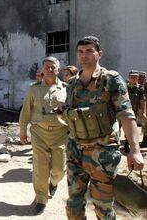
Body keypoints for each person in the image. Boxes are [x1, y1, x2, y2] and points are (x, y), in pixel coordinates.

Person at [61, 36, 144, 219]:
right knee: (73, 204)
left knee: (103, 208)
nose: (84, 55)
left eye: (89, 50)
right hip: (75, 151)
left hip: (103, 153)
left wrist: (135, 150)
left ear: (99, 53)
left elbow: (126, 114)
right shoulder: (72, 83)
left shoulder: (110, 80)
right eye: (81, 52)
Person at [19, 56, 68, 215]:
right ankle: (41, 199)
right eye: (46, 67)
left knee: (59, 170)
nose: (49, 69)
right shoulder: (34, 89)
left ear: (58, 70)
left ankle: (53, 183)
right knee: (40, 169)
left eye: (53, 67)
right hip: (39, 133)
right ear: (42, 70)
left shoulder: (66, 89)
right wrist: (22, 131)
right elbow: (26, 111)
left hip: (60, 134)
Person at [126, 70, 146, 152]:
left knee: (142, 122)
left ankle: (143, 140)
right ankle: (125, 142)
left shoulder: (140, 88)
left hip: (136, 110)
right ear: (129, 78)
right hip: (126, 110)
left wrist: (144, 112)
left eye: (135, 77)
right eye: (132, 77)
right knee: (125, 126)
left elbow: (143, 100)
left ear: (138, 78)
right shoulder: (124, 87)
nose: (133, 78)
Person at [138, 71, 147, 147]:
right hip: (139, 107)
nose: (142, 78)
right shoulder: (137, 86)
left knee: (144, 123)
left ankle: (145, 139)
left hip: (145, 106)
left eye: (143, 77)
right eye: (140, 77)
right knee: (143, 124)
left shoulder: (145, 85)